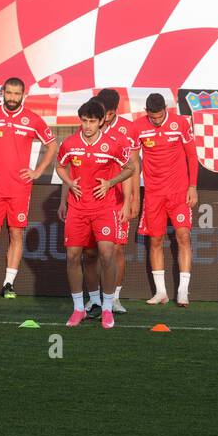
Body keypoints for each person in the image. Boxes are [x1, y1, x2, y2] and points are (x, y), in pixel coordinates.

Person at [0, 76, 55, 300]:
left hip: (20, 188)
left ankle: (9, 284)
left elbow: (52, 145)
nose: (13, 98)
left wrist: (37, 172)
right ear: (3, 93)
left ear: (23, 95)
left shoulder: (32, 119)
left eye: (17, 94)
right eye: (9, 93)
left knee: (16, 233)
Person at [56, 99, 139, 328]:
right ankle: (78, 309)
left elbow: (130, 168)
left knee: (107, 254)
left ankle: (107, 308)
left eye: (92, 121)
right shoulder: (70, 143)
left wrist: (110, 182)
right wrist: (69, 183)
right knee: (73, 256)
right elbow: (60, 166)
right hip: (77, 209)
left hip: (103, 209)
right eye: (84, 120)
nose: (88, 125)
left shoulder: (112, 144)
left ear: (102, 121)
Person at [129, 93, 199, 307]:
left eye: (160, 117)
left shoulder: (180, 123)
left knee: (183, 236)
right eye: (153, 117)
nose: (157, 121)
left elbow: (192, 156)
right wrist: (133, 195)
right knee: (155, 240)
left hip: (178, 192)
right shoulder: (137, 127)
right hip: (153, 193)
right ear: (146, 111)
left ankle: (183, 292)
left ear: (166, 109)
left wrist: (193, 187)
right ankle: (161, 292)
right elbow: (133, 162)